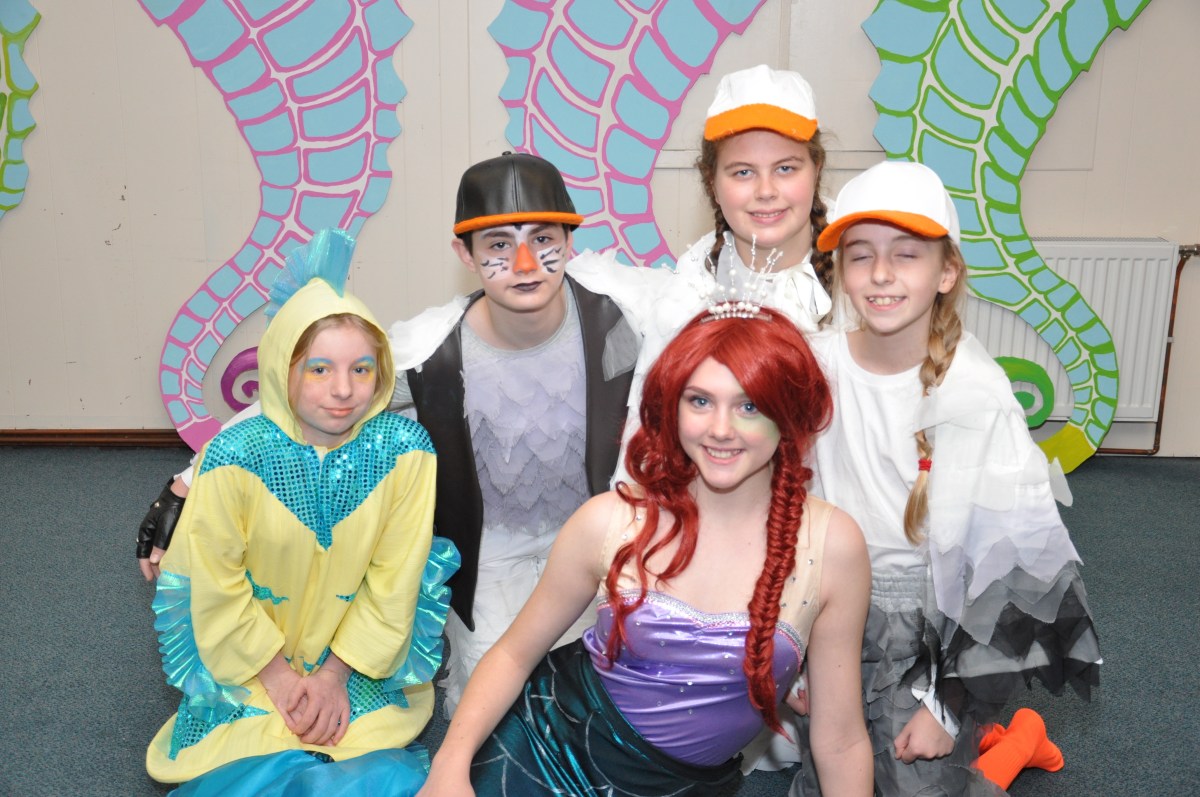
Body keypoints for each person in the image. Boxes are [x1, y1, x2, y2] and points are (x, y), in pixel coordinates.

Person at [137, 152, 639, 716]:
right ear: (465, 254)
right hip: (491, 548)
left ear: (570, 241)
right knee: (496, 707)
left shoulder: (622, 322)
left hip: (601, 532)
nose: (524, 263)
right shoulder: (431, 353)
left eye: (542, 239)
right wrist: (184, 484)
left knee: (625, 690)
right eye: (499, 244)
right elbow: (291, 398)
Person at [417, 307, 874, 797]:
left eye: (749, 406)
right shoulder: (608, 521)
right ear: (672, 407)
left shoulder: (832, 546)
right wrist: (450, 764)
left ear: (788, 414)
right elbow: (512, 654)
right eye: (700, 401)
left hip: (684, 787)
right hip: (546, 756)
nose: (721, 428)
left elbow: (841, 739)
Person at [785, 160, 1101, 796]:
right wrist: (790, 651)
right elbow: (782, 510)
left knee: (915, 779)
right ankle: (1001, 738)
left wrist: (949, 704)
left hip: (929, 635)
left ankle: (1015, 740)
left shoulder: (976, 393)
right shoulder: (815, 366)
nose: (880, 274)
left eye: (906, 255)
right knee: (833, 772)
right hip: (830, 609)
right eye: (860, 255)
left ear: (947, 271)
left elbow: (1014, 571)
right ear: (840, 269)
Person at [145, 229, 458, 794]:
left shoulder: (405, 451)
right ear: (280, 370)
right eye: (319, 369)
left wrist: (334, 675)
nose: (343, 390)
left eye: (361, 369)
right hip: (253, 657)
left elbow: (396, 579)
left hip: (352, 656)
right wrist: (280, 678)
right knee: (244, 744)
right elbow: (216, 581)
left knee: (359, 734)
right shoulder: (234, 455)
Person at [569, 64, 833, 474]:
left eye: (786, 168)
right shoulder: (687, 300)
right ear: (712, 183)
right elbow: (647, 449)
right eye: (743, 172)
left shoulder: (865, 278)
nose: (766, 191)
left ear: (816, 170)